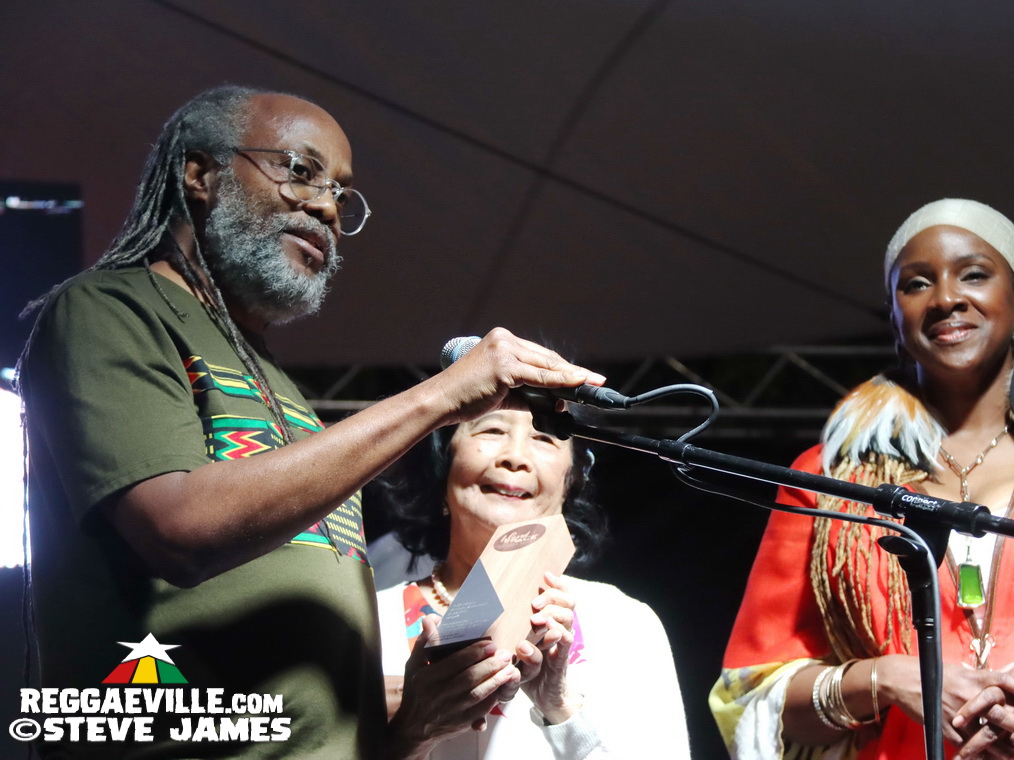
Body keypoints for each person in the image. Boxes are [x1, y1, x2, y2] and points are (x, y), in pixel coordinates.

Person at [19, 85, 606, 759]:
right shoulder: (110, 311)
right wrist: (445, 395)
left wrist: (414, 722)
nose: (327, 206)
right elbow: (178, 532)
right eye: (299, 170)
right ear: (200, 175)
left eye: (341, 194)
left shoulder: (288, 395)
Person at [710, 199, 1014, 760]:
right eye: (916, 284)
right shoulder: (827, 478)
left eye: (975, 274)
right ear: (894, 313)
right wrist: (887, 679)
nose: (945, 298)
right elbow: (753, 698)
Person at [375, 407, 692, 759]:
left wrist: (560, 707)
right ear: (442, 465)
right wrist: (408, 736)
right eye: (491, 430)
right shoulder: (370, 621)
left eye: (543, 437)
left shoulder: (624, 622)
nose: (515, 457)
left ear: (569, 481)